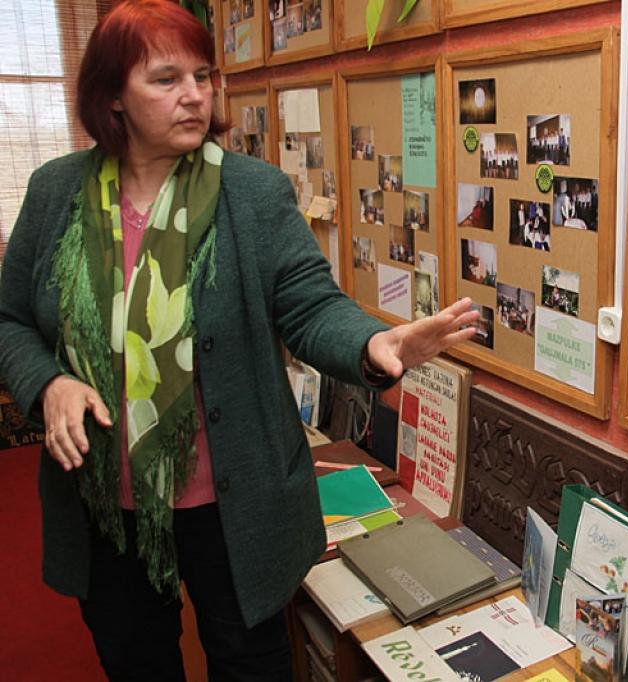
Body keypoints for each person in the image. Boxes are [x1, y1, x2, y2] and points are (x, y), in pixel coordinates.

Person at [0, 3, 479, 680]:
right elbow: (10, 319)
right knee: (136, 662)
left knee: (251, 666)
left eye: (203, 75)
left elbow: (310, 304)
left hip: (234, 505)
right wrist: (49, 384)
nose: (194, 94)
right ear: (112, 95)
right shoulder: (56, 195)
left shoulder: (251, 193)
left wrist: (376, 346)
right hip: (107, 508)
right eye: (166, 79)